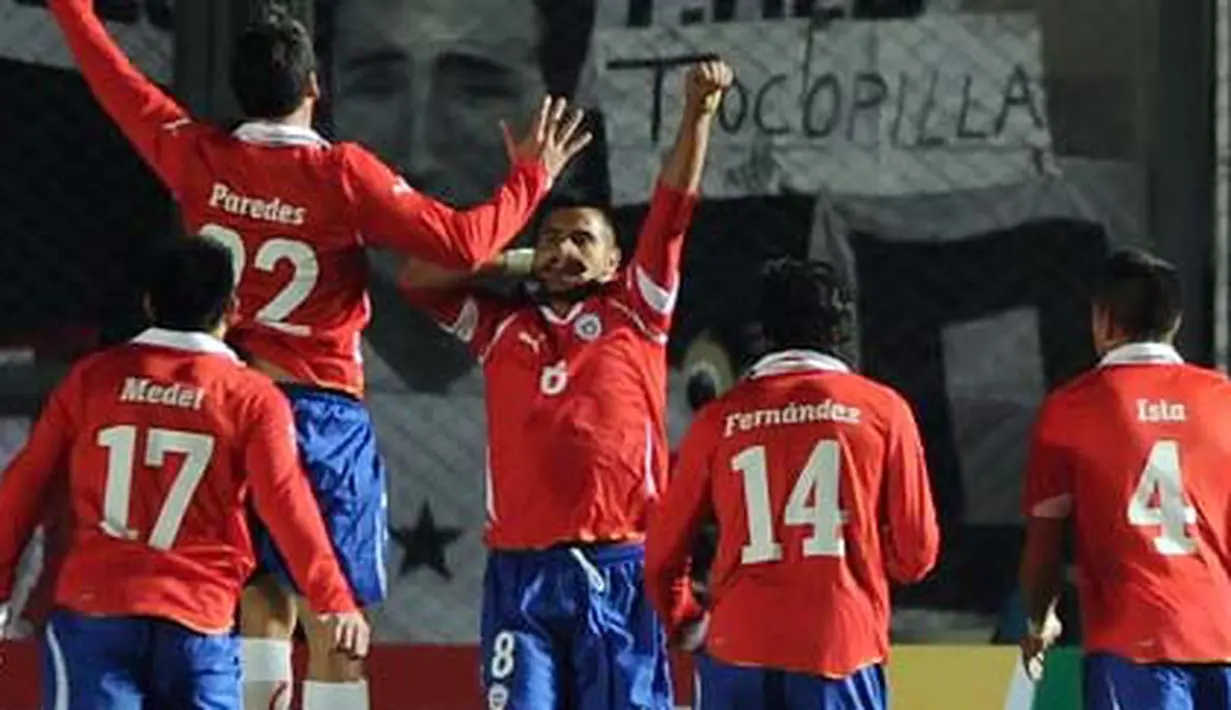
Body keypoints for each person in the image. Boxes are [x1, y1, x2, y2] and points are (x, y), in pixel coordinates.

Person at [47, 2, 591, 707]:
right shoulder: (342, 174)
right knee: (333, 620)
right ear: (315, 90)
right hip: (321, 416)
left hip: (233, 408)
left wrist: (73, 10)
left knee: (259, 604)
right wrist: (529, 177)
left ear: (241, 90)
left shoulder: (195, 153)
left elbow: (113, 79)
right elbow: (462, 245)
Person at [398, 59, 732, 709]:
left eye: (582, 239)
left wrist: (698, 115)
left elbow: (671, 210)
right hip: (521, 575)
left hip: (620, 567)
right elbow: (418, 278)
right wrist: (524, 248)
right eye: (551, 238)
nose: (563, 249)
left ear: (614, 260)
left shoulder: (637, 311)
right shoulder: (500, 327)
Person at [0, 239, 369, 710]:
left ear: (149, 302)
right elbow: (286, 503)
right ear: (233, 308)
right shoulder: (251, 397)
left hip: (96, 619)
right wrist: (333, 599)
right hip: (198, 627)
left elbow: (23, 487)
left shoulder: (92, 380)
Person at [644, 257, 941, 710]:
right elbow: (916, 553)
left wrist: (686, 619)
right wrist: (862, 558)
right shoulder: (883, 410)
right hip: (840, 643)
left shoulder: (718, 421)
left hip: (738, 644)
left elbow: (663, 552)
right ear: (842, 328)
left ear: (763, 329)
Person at [1019, 249, 1231, 710]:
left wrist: (1040, 619)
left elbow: (1044, 545)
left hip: (1132, 646)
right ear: (1175, 321)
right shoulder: (1223, 398)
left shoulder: (1071, 408)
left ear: (1104, 320)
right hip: (1222, 639)